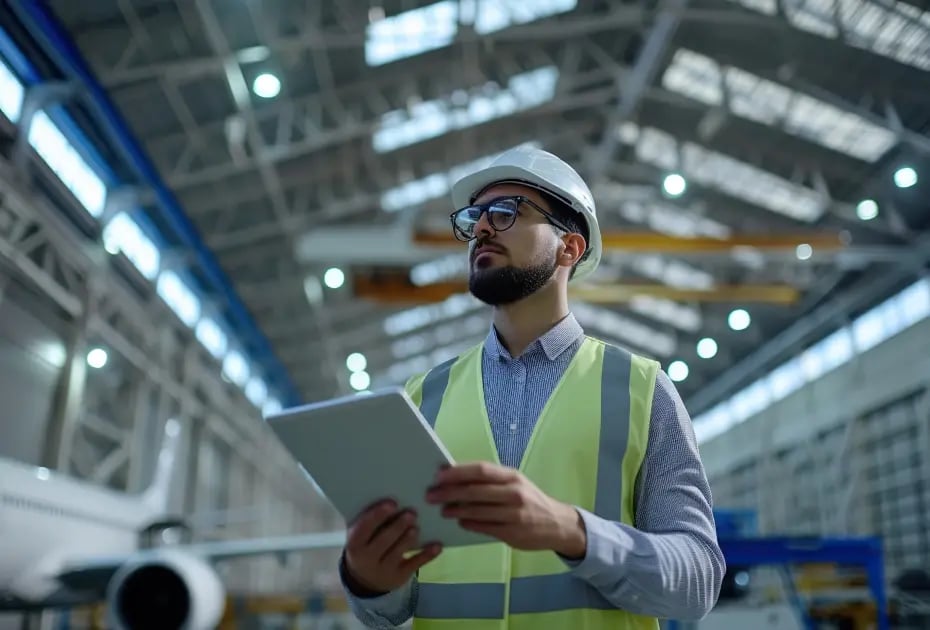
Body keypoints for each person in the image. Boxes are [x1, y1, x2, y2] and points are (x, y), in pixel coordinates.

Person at [337, 146, 725, 629]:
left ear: (570, 247)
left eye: (505, 213)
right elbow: (388, 610)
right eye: (474, 217)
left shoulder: (643, 390)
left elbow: (698, 580)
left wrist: (572, 530)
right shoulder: (420, 398)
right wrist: (366, 578)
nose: (480, 228)